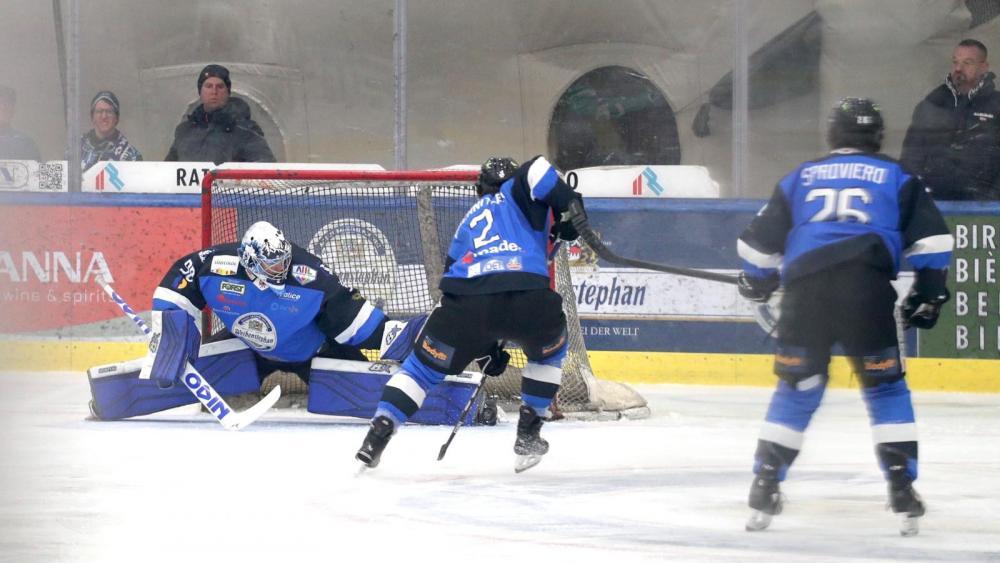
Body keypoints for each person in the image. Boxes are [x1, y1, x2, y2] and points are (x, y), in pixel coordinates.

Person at [736, 98, 953, 536]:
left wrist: (759, 280)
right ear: (876, 136)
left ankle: (765, 483)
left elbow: (756, 247)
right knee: (885, 388)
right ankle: (901, 487)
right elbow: (933, 242)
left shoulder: (801, 176)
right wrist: (929, 293)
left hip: (805, 295)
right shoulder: (897, 177)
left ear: (833, 135)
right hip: (865, 292)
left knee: (798, 389)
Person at [355, 155, 588, 473]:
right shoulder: (520, 190)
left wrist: (484, 346)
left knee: (420, 371)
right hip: (529, 298)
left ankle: (378, 433)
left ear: (480, 188)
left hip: (467, 304)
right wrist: (572, 205)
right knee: (548, 355)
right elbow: (535, 169)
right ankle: (528, 433)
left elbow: (458, 287)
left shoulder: (470, 221)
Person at [87, 220, 419, 421]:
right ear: (249, 259)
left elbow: (353, 319)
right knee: (176, 368)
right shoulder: (218, 265)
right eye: (272, 264)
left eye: (283, 261)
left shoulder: (308, 276)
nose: (281, 269)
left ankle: (427, 389)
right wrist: (171, 329)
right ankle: (112, 399)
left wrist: (396, 340)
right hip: (246, 350)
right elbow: (180, 278)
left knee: (374, 392)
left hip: (314, 352)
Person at [900, 39, 1000, 200]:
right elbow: (912, 156)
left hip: (985, 205)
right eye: (955, 62)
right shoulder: (933, 102)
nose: (959, 68)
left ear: (984, 67)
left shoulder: (996, 105)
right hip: (935, 201)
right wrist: (916, 195)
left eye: (968, 62)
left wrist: (993, 199)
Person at [164, 64, 275, 164]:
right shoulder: (184, 132)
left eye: (220, 86)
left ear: (228, 92)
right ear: (200, 92)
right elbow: (165, 171)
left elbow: (266, 166)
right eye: (208, 86)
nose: (214, 91)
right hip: (187, 187)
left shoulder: (246, 130)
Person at [81, 90, 142, 171]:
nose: (104, 117)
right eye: (99, 111)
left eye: (109, 112)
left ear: (116, 118)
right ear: (92, 117)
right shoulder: (76, 149)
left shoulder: (131, 155)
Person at [0, 86, 41, 161]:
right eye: (0, 103)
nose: (3, 107)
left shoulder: (26, 143)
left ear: (13, 110)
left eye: (7, 103)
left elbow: (36, 170)